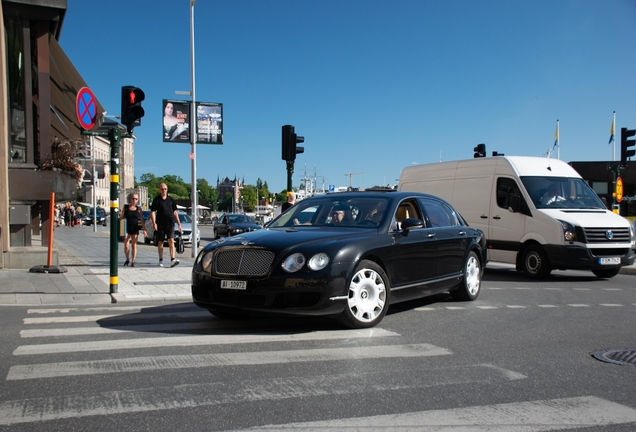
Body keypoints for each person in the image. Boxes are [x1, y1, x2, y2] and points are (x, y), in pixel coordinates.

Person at [150, 183, 182, 267]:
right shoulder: (156, 200)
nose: (164, 190)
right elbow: (153, 212)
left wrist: (179, 224)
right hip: (160, 224)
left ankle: (172, 259)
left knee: (171, 240)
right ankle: (161, 259)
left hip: (170, 223)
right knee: (160, 242)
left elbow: (175, 212)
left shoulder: (171, 200)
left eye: (165, 189)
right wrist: (154, 223)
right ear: (159, 189)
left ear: (167, 189)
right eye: (162, 189)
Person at [119, 193, 146, 267]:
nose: (134, 200)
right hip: (126, 227)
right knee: (126, 244)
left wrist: (144, 229)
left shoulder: (139, 209)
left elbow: (141, 220)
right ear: (130, 199)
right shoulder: (126, 207)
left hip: (135, 227)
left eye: (136, 199)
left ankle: (133, 261)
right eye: (133, 198)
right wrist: (120, 215)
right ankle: (127, 259)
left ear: (138, 200)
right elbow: (121, 217)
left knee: (134, 245)